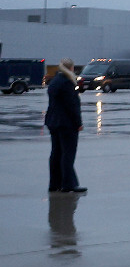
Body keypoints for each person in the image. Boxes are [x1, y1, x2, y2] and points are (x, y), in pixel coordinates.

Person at [45, 57, 86, 194]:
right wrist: (78, 123)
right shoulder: (67, 83)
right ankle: (68, 184)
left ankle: (54, 184)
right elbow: (72, 106)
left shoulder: (54, 81)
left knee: (56, 153)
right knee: (67, 154)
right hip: (66, 123)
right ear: (71, 68)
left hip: (53, 122)